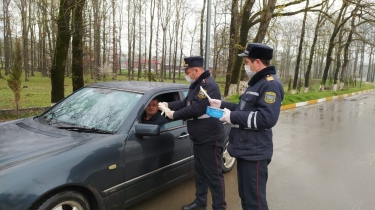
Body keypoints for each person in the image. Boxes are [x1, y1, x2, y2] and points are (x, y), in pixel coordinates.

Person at [210, 43, 284, 210]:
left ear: (257, 62)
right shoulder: (256, 83)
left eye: (247, 62)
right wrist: (222, 104)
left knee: (254, 202)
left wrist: (232, 117)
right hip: (245, 149)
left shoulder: (270, 84)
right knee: (246, 196)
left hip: (255, 153)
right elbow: (243, 108)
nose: (245, 66)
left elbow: (267, 118)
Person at [159, 56, 227, 210]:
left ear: (196, 70)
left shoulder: (208, 86)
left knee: (214, 176)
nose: (187, 75)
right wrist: (168, 104)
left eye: (188, 72)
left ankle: (219, 207)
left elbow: (196, 109)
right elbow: (185, 103)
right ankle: (200, 202)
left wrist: (173, 115)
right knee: (201, 174)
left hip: (210, 139)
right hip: (199, 138)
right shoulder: (196, 85)